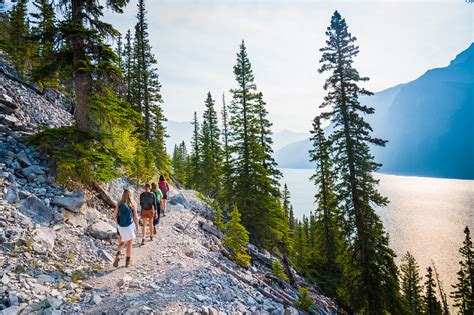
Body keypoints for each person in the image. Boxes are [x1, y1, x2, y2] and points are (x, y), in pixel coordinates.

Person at [113, 189, 139, 268]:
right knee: (129, 244)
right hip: (129, 226)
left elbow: (114, 215)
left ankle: (118, 254)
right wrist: (137, 226)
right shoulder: (133, 203)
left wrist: (118, 225)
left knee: (121, 241)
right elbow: (135, 217)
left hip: (120, 226)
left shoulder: (119, 203)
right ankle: (127, 262)